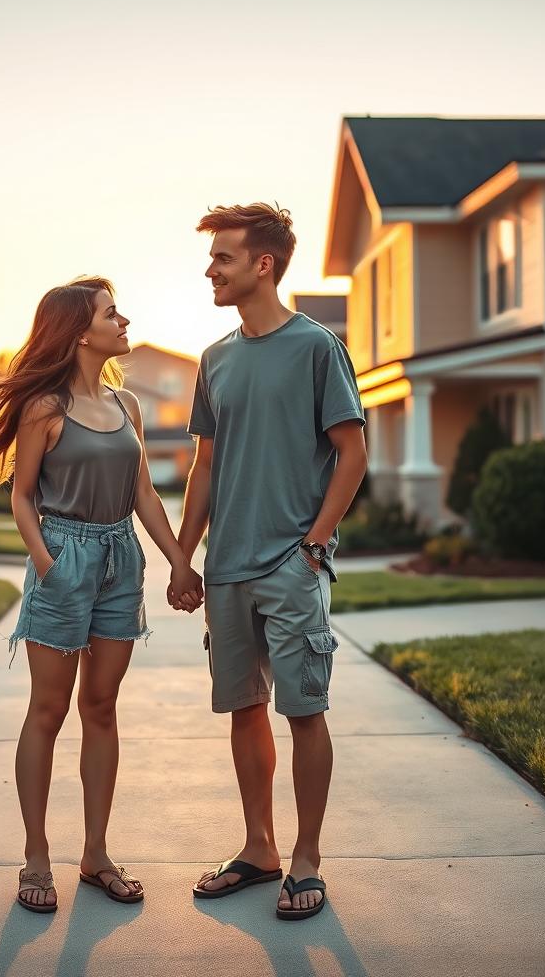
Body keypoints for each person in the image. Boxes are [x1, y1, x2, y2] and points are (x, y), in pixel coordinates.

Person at [0, 276, 203, 914]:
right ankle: (36, 854)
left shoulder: (127, 407)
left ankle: (95, 854)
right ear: (81, 331)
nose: (124, 321)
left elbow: (143, 493)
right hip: (64, 557)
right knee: (47, 711)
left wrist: (179, 563)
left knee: (103, 708)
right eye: (112, 313)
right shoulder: (45, 408)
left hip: (120, 561)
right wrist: (47, 563)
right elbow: (22, 496)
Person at [170, 204, 367, 920]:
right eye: (211, 256)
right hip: (226, 569)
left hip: (290, 562)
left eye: (222, 257)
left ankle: (308, 858)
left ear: (262, 264)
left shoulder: (317, 346)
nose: (210, 269)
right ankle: (260, 849)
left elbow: (352, 453)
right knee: (242, 708)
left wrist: (315, 545)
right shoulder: (215, 359)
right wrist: (184, 559)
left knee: (304, 709)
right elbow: (205, 467)